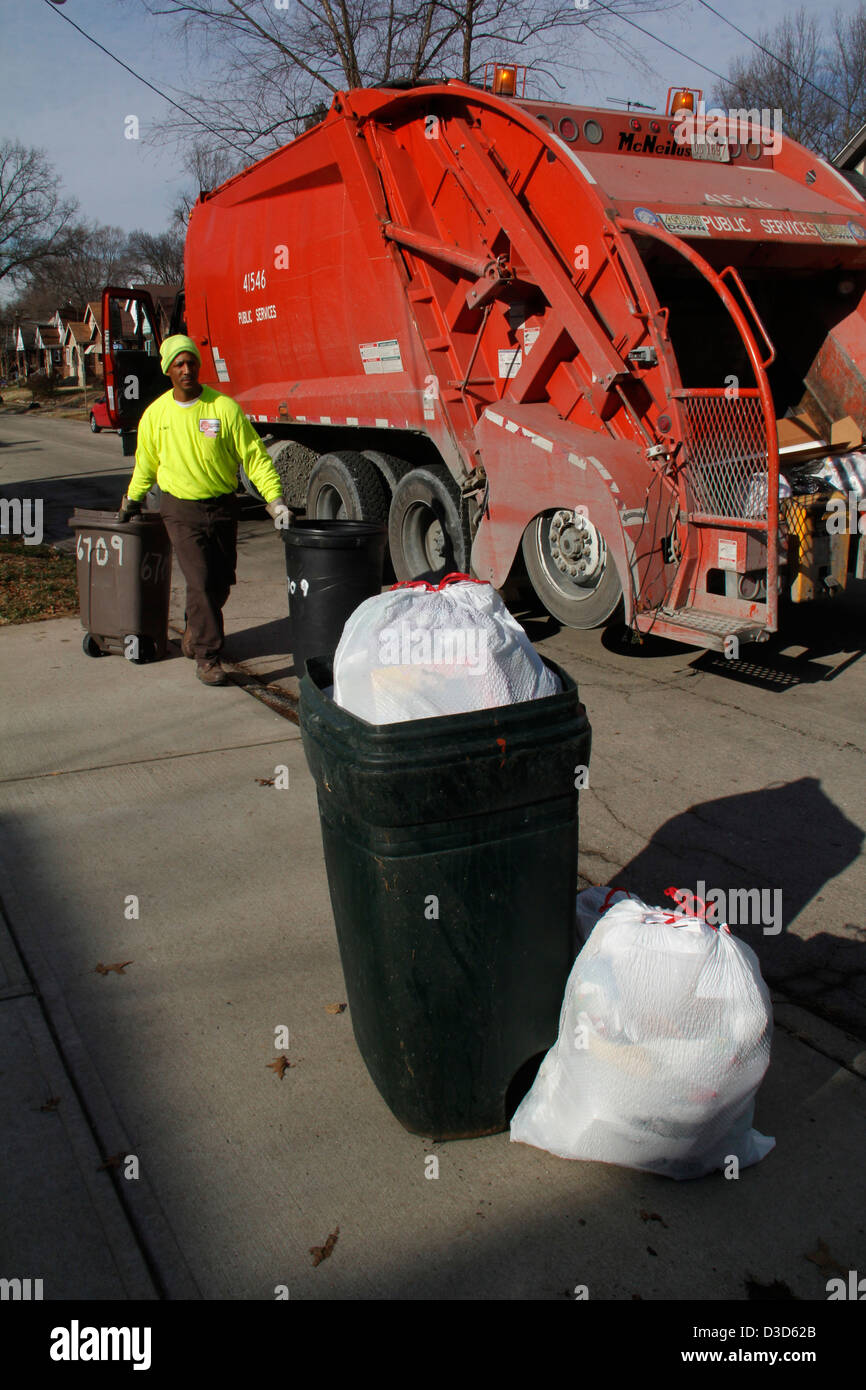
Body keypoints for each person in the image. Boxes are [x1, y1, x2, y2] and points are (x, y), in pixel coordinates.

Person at [118, 334, 291, 686]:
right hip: (180, 509)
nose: (186, 369)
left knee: (220, 582)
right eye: (178, 364)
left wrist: (275, 501)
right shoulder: (156, 416)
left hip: (223, 506)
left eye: (191, 362)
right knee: (199, 580)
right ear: (167, 369)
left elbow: (254, 457)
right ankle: (208, 657)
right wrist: (131, 499)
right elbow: (145, 464)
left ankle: (194, 628)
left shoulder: (223, 408)